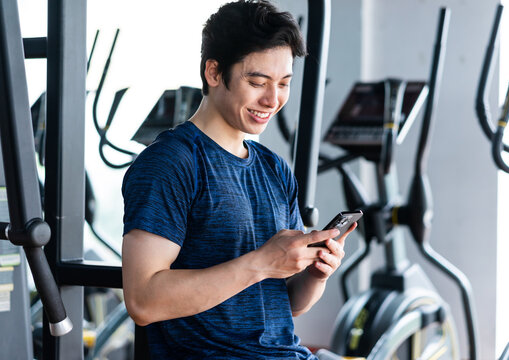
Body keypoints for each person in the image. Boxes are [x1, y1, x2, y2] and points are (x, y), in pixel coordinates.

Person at [121, 1, 357, 359]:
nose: (273, 99)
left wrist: (315, 274)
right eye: (257, 82)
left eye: (283, 84)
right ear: (214, 73)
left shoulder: (273, 168)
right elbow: (143, 301)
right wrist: (262, 261)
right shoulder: (170, 164)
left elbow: (289, 303)